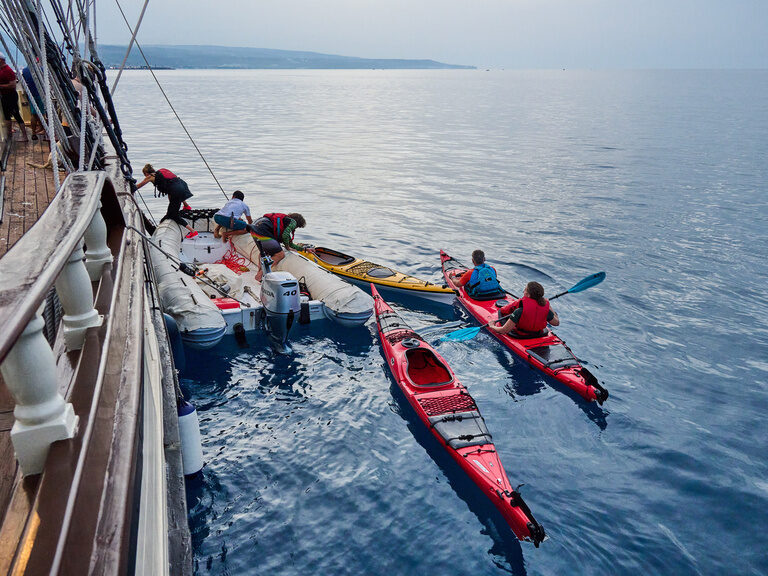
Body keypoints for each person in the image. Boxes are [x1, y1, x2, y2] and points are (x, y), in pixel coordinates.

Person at [136, 164, 197, 238]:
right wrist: (184, 204)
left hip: (176, 191)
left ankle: (193, 231)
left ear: (146, 173)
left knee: (174, 215)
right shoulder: (162, 172)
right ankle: (187, 206)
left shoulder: (150, 177)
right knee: (169, 213)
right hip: (182, 186)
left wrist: (131, 185)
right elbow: (170, 190)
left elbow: (138, 186)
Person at [248, 212, 310, 281]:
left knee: (264, 252)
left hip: (254, 229)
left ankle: (259, 272)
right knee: (280, 254)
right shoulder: (293, 222)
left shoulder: (283, 221)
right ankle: (260, 275)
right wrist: (287, 248)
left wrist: (304, 249)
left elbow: (290, 243)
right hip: (262, 231)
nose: (295, 228)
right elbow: (285, 235)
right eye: (297, 227)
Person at [489, 281, 559, 338]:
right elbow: (556, 323)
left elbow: (503, 331)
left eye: (525, 290)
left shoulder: (519, 311)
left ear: (528, 295)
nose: (523, 291)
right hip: (539, 334)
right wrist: (548, 305)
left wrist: (492, 326)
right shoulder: (546, 310)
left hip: (521, 335)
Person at [0, 54, 28, 141]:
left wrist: (1, 86)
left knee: (16, 115)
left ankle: (25, 136)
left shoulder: (8, 71)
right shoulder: (2, 70)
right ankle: (9, 135)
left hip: (10, 96)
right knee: (7, 116)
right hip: (4, 96)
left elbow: (12, 85)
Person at [21, 66, 44, 139]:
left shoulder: (24, 70)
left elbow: (24, 82)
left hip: (31, 95)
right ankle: (44, 129)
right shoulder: (42, 69)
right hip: (40, 94)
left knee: (33, 114)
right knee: (42, 113)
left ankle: (34, 133)